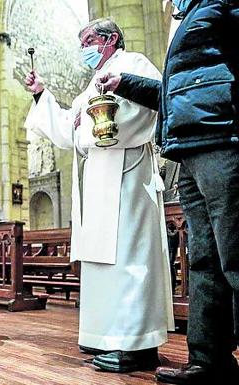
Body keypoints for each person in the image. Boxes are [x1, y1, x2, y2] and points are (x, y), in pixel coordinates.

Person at [96, 1, 239, 382]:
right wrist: (124, 83)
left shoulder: (220, 4)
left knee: (236, 257)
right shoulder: (190, 18)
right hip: (188, 145)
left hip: (221, 137)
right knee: (205, 261)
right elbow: (173, 94)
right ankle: (210, 360)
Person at [23, 18, 174, 373]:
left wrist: (90, 126)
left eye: (89, 39)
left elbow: (148, 105)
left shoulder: (133, 64)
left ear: (111, 39)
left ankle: (137, 345)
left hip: (128, 170)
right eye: (82, 43)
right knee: (103, 262)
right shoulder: (88, 85)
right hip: (99, 175)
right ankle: (107, 337)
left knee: (129, 256)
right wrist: (40, 95)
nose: (84, 48)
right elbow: (66, 130)